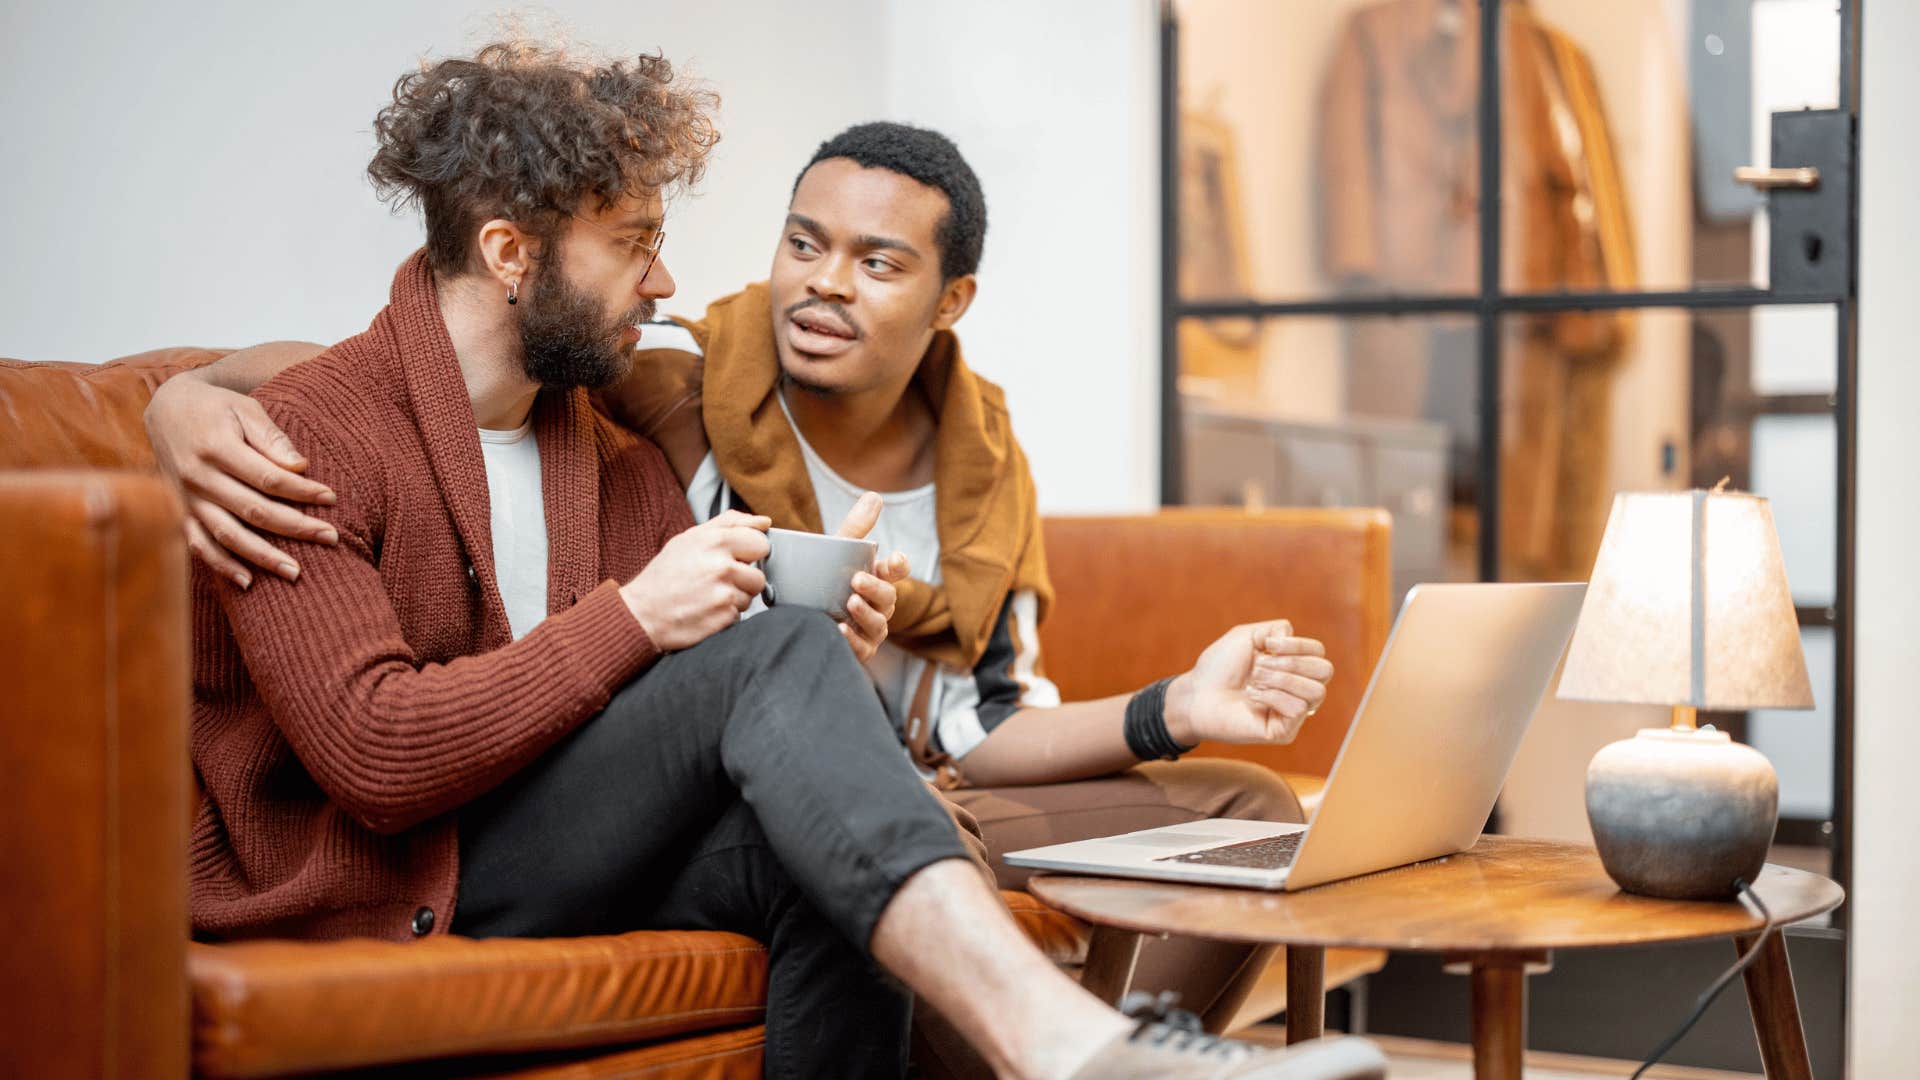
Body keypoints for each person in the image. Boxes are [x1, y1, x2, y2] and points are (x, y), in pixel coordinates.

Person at [159, 37, 1382, 1080]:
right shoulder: (302, 441)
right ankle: (1075, 1050)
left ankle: (1085, 1046)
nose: (668, 277)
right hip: (394, 869)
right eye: (635, 240)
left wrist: (818, 657)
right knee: (782, 687)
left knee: (826, 856)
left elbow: (687, 719)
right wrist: (183, 396)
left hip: (548, 839)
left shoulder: (610, 452)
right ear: (511, 253)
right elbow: (376, 755)